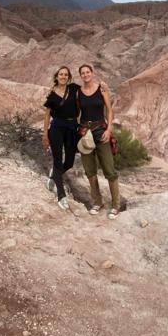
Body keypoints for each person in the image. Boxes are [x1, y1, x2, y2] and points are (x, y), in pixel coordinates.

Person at [77, 63, 120, 220]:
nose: (85, 75)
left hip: (101, 131)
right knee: (90, 170)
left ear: (92, 73)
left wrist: (109, 129)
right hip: (85, 133)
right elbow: (76, 113)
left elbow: (109, 110)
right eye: (83, 73)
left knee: (109, 169)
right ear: (80, 76)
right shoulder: (78, 93)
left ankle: (116, 206)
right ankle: (97, 202)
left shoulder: (102, 89)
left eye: (87, 72)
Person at [42, 66, 79, 210]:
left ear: (68, 77)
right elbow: (47, 115)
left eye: (66, 75)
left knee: (69, 162)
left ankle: (54, 176)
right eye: (61, 74)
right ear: (57, 77)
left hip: (72, 128)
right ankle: (61, 196)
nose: (63, 76)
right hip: (56, 128)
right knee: (58, 162)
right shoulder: (52, 95)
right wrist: (45, 135)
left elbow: (87, 94)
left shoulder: (74, 89)